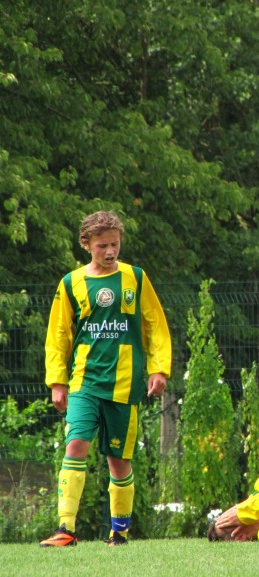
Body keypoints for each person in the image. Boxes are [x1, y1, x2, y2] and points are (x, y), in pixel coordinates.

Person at [39, 211, 172, 547]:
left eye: (115, 244)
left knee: (118, 460)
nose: (111, 251)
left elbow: (155, 324)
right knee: (76, 444)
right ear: (86, 245)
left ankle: (119, 533)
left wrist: (159, 368)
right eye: (102, 246)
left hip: (126, 383)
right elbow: (58, 335)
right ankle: (65, 529)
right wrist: (57, 381)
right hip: (84, 381)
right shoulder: (71, 284)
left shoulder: (136, 279)